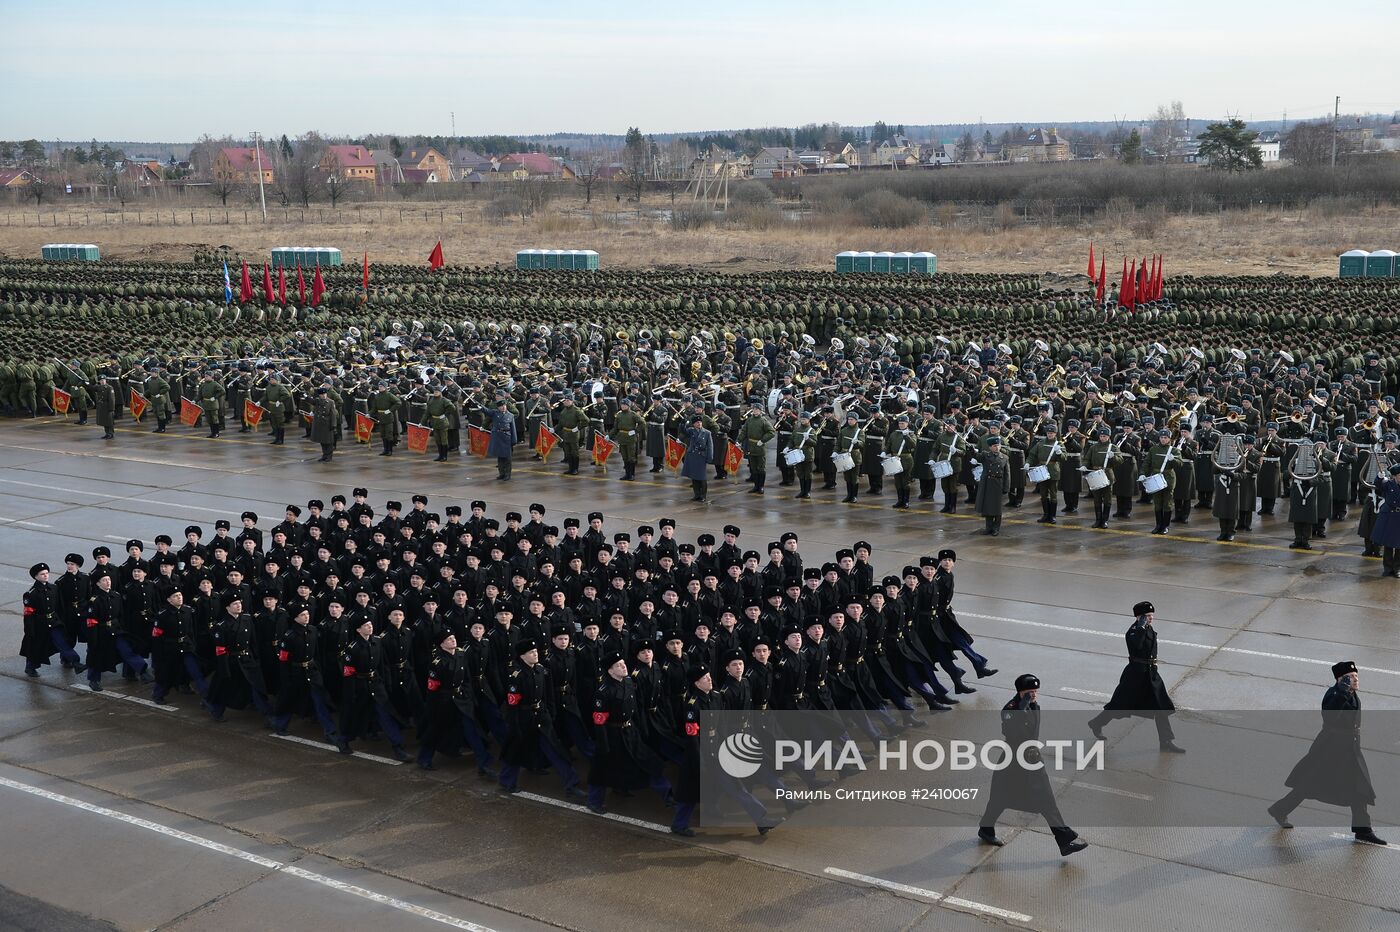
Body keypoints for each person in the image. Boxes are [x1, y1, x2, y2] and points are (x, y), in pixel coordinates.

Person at [1268, 661, 1386, 846]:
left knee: (1359, 789)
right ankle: (1279, 809)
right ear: (1340, 679)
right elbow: (1330, 717)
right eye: (1350, 677)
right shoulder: (1334, 694)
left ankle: (1363, 830)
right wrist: (1341, 693)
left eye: (1356, 676)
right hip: (1331, 751)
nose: (1355, 679)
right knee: (1308, 785)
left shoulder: (1352, 694)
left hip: (1350, 751)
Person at [978, 673, 1088, 857]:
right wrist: (1021, 710)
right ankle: (986, 829)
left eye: (1035, 691)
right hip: (1013, 762)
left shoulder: (1033, 706)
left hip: (1032, 760)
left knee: (1046, 801)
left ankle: (1064, 840)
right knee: (1000, 799)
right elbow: (1014, 732)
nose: (1034, 695)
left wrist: (1027, 706)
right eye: (1030, 692)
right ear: (1020, 692)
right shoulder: (1011, 710)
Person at [1087, 600, 1185, 753]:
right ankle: (1096, 723)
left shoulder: (1148, 628)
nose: (1151, 618)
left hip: (1151, 675)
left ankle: (1166, 741)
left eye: (1152, 615)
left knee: (1161, 707)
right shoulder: (1133, 631)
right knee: (1119, 705)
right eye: (1147, 616)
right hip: (1135, 676)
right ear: (1139, 617)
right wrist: (1140, 628)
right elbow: (1137, 646)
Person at [586, 651, 673, 814]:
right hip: (613, 735)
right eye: (618, 665)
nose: (623, 666)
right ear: (610, 671)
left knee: (647, 762)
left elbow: (635, 708)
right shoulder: (603, 692)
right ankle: (594, 801)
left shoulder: (628, 682)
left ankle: (667, 793)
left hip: (630, 731)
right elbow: (599, 722)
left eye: (623, 663)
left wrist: (640, 729)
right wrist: (603, 745)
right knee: (601, 769)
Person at [498, 639, 585, 797]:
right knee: (515, 750)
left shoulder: (541, 670)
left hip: (541, 716)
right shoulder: (516, 676)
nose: (535, 654)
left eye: (536, 652)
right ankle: (507, 781)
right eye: (531, 653)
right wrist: (514, 725)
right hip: (523, 718)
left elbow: (548, 694)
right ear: (523, 656)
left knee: (554, 748)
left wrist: (550, 713)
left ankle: (571, 782)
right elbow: (512, 704)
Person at [1369, 463, 1400, 576]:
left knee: (1399, 546)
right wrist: (1379, 477)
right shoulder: (1389, 484)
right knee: (1388, 544)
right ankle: (1387, 568)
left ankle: (1397, 569)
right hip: (1389, 516)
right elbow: (1378, 486)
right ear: (1395, 476)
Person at [974, 435, 1007, 536]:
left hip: (998, 484)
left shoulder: (1004, 457)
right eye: (994, 446)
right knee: (987, 507)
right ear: (990, 447)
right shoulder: (985, 455)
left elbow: (1007, 474)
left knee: (997, 508)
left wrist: (1006, 487)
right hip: (988, 483)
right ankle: (988, 527)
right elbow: (977, 456)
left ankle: (996, 528)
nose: (996, 447)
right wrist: (972, 450)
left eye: (998, 445)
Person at [682, 414, 714, 503]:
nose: (699, 424)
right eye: (697, 422)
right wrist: (682, 423)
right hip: (692, 455)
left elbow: (710, 446)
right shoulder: (691, 431)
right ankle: (696, 495)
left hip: (701, 456)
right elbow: (684, 431)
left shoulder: (707, 433)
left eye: (700, 422)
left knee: (702, 477)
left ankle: (703, 495)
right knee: (694, 477)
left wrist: (710, 457)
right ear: (693, 424)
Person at [489, 398, 518, 481]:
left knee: (507, 458)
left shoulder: (510, 415)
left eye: (504, 406)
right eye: (501, 406)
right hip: (499, 437)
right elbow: (487, 411)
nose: (503, 407)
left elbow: (513, 429)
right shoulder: (495, 413)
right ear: (498, 407)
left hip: (507, 437)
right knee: (500, 457)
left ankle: (507, 474)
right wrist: (481, 407)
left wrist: (514, 440)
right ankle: (501, 473)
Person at [311, 387, 337, 463]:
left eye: (325, 394)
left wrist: (333, 425)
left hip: (327, 424)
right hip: (320, 424)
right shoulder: (318, 401)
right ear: (319, 395)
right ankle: (324, 455)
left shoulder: (330, 402)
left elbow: (333, 415)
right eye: (322, 394)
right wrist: (306, 396)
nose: (324, 395)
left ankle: (329, 456)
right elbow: (311, 401)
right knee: (322, 441)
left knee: (328, 442)